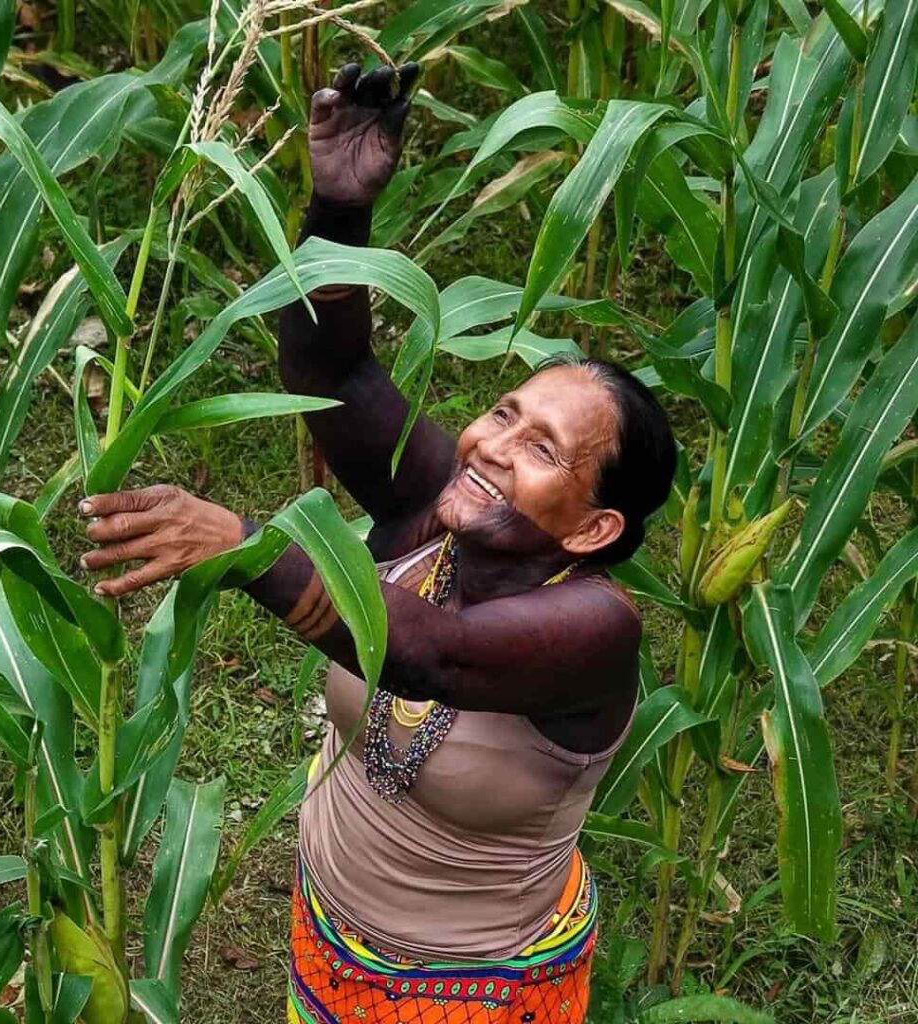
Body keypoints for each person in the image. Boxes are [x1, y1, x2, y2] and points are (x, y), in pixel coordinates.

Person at [80, 62, 677, 1024]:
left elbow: (432, 654)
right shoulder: (435, 503)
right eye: (502, 411)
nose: (487, 445)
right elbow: (334, 366)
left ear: (596, 527)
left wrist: (243, 544)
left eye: (541, 449)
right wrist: (339, 211)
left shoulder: (595, 631)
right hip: (329, 942)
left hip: (477, 989)